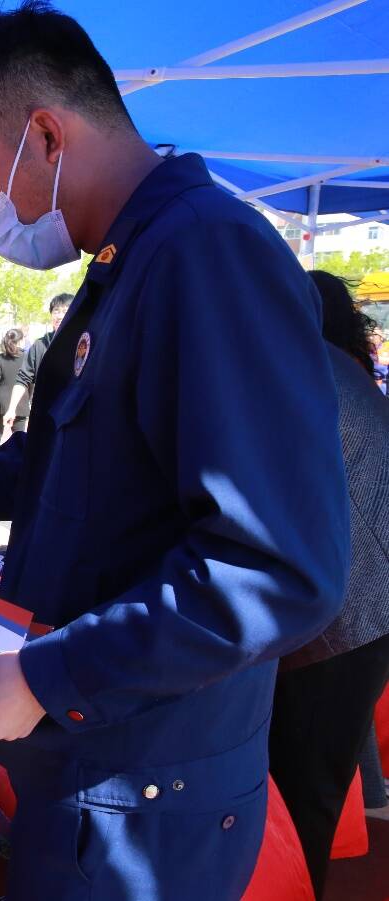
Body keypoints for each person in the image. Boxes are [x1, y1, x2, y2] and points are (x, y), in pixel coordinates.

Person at [0, 5, 348, 898]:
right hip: (95, 758)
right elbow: (47, 461)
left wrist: (51, 674)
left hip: (142, 793)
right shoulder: (127, 266)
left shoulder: (206, 253)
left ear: (45, 135)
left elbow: (277, 568)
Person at [268, 270, 389, 898]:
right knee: (317, 775)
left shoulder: (299, 369)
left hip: (348, 611)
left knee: (303, 789)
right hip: (362, 605)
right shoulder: (339, 367)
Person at [7, 293, 71, 426]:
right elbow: (23, 378)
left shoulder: (84, 343)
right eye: (56, 311)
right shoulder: (39, 345)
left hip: (72, 416)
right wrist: (11, 409)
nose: (59, 316)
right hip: (43, 415)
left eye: (65, 311)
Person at [0, 328, 27, 450]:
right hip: (20, 402)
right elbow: (30, 381)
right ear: (20, 341)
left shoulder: (0, 358)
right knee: (19, 439)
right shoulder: (26, 358)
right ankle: (19, 466)